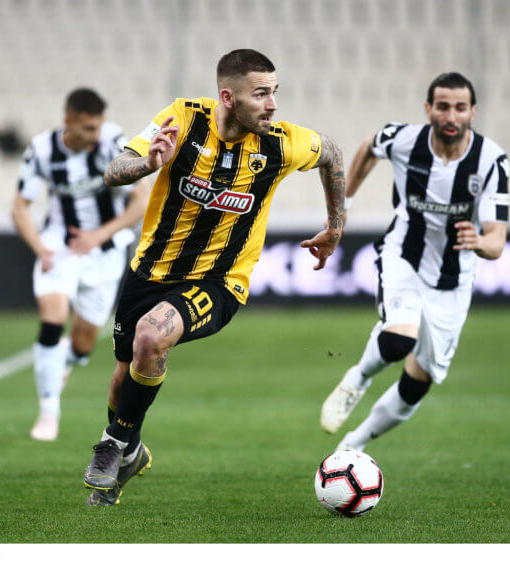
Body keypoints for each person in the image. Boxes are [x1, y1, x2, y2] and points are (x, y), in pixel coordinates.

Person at [81, 49, 345, 506]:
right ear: (228, 97)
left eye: (274, 92)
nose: (272, 104)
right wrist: (147, 165)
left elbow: (333, 153)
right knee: (124, 376)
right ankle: (131, 453)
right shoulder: (182, 119)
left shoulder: (281, 143)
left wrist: (336, 225)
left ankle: (113, 443)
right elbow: (114, 170)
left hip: (220, 281)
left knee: (152, 335)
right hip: (151, 272)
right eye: (260, 94)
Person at [320, 72, 509, 452]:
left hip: (453, 279)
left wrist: (479, 242)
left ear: (473, 112)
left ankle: (352, 446)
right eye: (443, 107)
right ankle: (357, 380)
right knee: (398, 340)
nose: (451, 116)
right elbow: (368, 147)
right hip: (403, 255)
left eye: (460, 108)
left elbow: (497, 241)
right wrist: (344, 205)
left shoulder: (491, 161)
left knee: (417, 383)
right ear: (428, 109)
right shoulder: (404, 139)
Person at [12, 88, 149, 442]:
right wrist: (40, 249)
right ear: (68, 121)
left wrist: (97, 236)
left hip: (104, 250)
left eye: (97, 127)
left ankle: (68, 359)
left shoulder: (112, 142)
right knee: (52, 320)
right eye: (88, 128)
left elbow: (140, 201)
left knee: (84, 343)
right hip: (59, 245)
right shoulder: (42, 149)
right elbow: (20, 206)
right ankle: (48, 413)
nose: (94, 135)